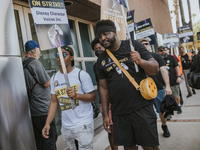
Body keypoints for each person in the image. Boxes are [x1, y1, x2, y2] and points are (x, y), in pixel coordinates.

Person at [96, 20, 159, 150]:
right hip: (119, 112)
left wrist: (141, 61)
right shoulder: (101, 60)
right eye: (99, 36)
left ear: (114, 32)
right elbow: (103, 88)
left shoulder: (133, 45)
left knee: (150, 147)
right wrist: (106, 115)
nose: (102, 38)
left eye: (106, 34)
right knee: (129, 147)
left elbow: (155, 68)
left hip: (141, 107)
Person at [42, 46, 96, 150]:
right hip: (66, 126)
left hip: (83, 123)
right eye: (57, 55)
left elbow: (93, 97)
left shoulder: (81, 75)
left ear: (71, 57)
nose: (59, 58)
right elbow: (54, 102)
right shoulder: (54, 78)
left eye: (63, 54)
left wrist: (77, 95)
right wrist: (47, 123)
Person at [23, 40, 57, 150]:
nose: (40, 52)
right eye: (39, 49)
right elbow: (46, 83)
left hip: (34, 110)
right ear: (35, 50)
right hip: (43, 109)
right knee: (50, 138)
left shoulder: (23, 64)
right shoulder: (35, 63)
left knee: (40, 141)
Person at [139, 38, 172, 138]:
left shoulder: (156, 56)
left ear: (149, 45)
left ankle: (164, 126)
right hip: (143, 90)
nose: (145, 45)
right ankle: (151, 132)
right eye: (142, 44)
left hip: (157, 88)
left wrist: (167, 86)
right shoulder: (135, 57)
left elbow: (164, 71)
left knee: (162, 111)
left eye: (146, 44)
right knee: (147, 114)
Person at [91, 37, 118, 150]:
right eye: (95, 49)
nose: (98, 50)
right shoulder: (96, 66)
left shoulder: (115, 59)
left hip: (119, 99)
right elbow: (100, 86)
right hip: (107, 101)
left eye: (100, 47)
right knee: (110, 130)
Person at [157, 46, 182, 114]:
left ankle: (178, 106)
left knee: (176, 96)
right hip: (163, 82)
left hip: (173, 80)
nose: (163, 52)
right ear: (158, 52)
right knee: (165, 98)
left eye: (164, 50)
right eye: (161, 50)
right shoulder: (157, 59)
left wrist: (179, 76)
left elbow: (176, 66)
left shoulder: (171, 57)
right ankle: (168, 111)